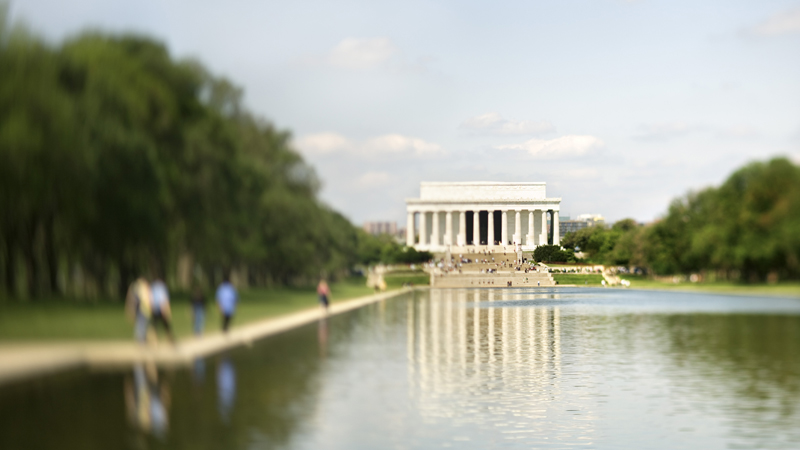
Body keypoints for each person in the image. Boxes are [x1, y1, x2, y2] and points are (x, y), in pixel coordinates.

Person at [126, 277, 152, 344]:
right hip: (143, 309)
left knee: (141, 324)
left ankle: (142, 339)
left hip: (140, 308)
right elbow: (145, 299)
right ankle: (141, 340)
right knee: (142, 324)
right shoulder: (143, 288)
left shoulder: (135, 287)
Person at [150, 277, 175, 343]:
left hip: (155, 308)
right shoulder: (162, 287)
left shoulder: (153, 287)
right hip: (161, 308)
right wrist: (168, 310)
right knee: (165, 325)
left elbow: (151, 298)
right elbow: (165, 299)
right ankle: (169, 339)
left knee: (156, 325)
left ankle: (155, 341)